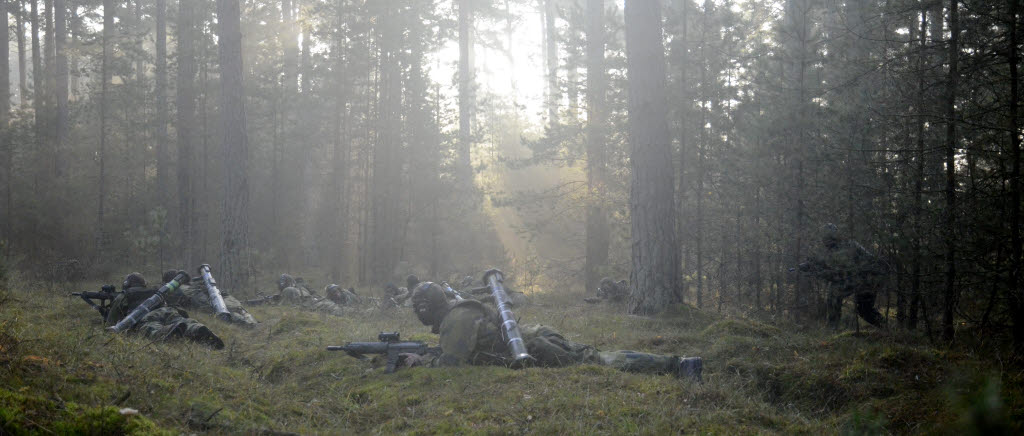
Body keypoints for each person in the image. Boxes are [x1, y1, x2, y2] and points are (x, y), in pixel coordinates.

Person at [404, 281, 702, 380]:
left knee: (598, 361)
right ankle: (676, 364)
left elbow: (452, 365)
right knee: (594, 356)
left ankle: (676, 365)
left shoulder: (456, 319)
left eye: (420, 306)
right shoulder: (458, 312)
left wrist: (421, 362)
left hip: (534, 347)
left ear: (427, 308)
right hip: (533, 336)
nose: (418, 311)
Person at [798, 223, 887, 328]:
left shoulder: (846, 246)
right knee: (864, 310)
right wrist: (809, 266)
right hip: (865, 280)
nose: (825, 240)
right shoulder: (837, 248)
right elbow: (824, 264)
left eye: (826, 237)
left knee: (836, 295)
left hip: (864, 279)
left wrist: (817, 270)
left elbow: (836, 273)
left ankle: (832, 327)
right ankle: (886, 328)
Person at [104, 272, 224, 349]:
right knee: (181, 320)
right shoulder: (154, 291)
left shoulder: (125, 295)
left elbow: (111, 320)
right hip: (167, 311)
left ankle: (168, 331)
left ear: (126, 284)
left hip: (145, 316)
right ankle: (196, 328)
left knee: (150, 327)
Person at [162, 270, 258, 326]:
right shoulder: (183, 288)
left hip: (209, 304)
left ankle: (251, 324)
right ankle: (251, 324)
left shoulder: (172, 290)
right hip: (208, 305)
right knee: (232, 312)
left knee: (229, 311)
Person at [277, 274, 347, 316]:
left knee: (334, 306)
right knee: (335, 308)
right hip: (312, 304)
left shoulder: (297, 288)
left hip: (315, 302)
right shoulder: (289, 290)